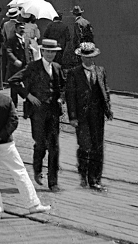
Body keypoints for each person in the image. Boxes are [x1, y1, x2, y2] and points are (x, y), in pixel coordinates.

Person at [0, 70, 50, 219]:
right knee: (19, 172)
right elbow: (13, 120)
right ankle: (33, 205)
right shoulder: (6, 100)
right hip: (6, 143)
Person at [8, 38, 65, 191]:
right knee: (40, 143)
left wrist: (61, 98)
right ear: (42, 51)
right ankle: (37, 169)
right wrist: (28, 96)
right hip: (38, 112)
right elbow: (13, 80)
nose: (51, 55)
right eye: (48, 52)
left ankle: (53, 182)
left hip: (53, 111)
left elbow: (63, 87)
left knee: (55, 146)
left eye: (53, 52)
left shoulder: (57, 68)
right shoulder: (33, 67)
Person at [64, 42, 113, 191]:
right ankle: (83, 172)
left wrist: (108, 108)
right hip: (82, 116)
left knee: (98, 147)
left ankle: (95, 179)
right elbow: (70, 96)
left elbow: (105, 90)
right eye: (85, 57)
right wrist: (72, 117)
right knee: (85, 146)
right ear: (81, 57)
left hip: (97, 115)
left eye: (91, 57)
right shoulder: (74, 73)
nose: (88, 60)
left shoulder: (100, 71)